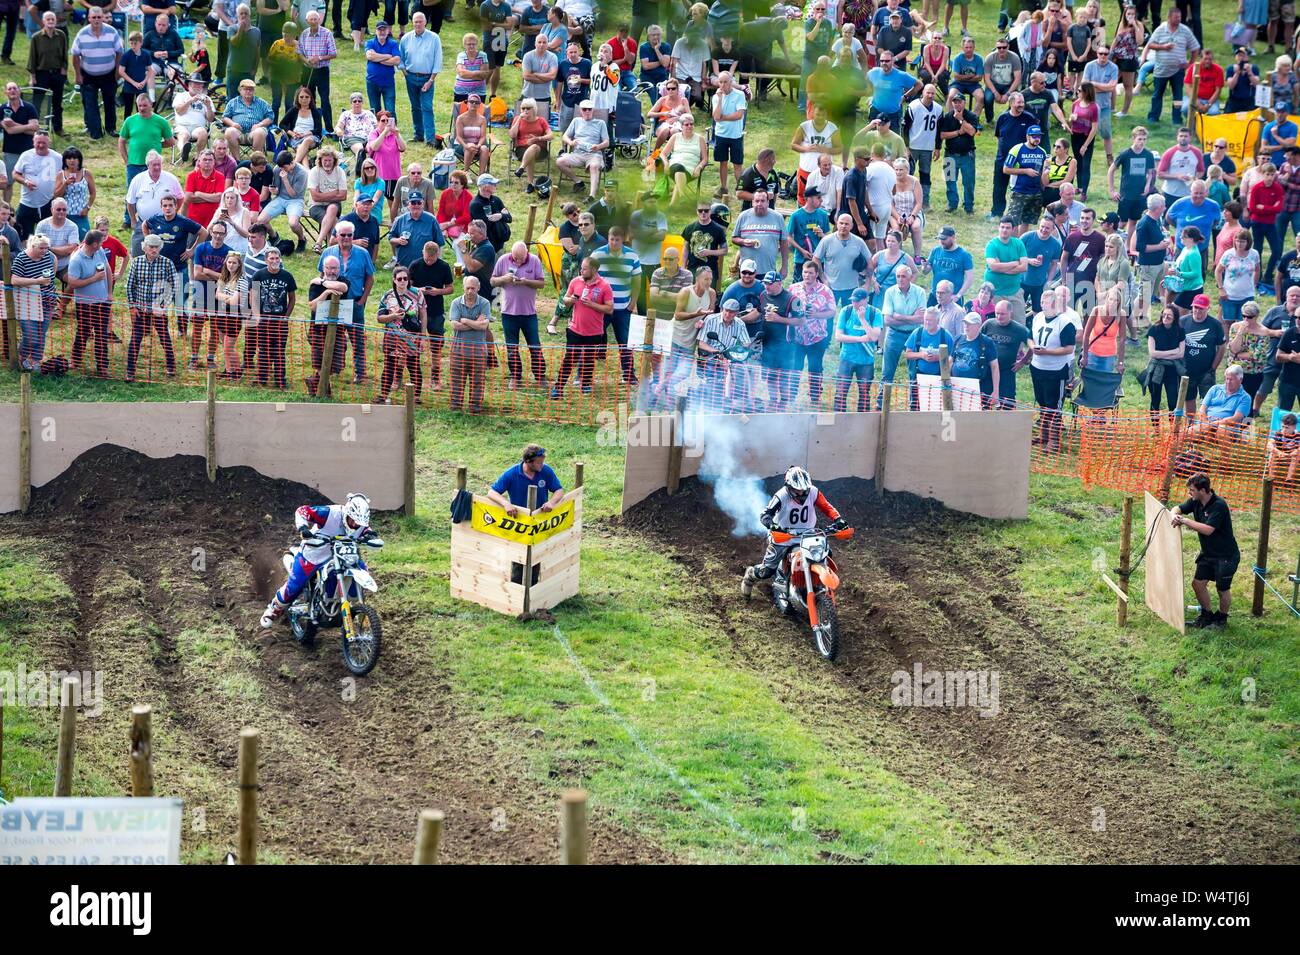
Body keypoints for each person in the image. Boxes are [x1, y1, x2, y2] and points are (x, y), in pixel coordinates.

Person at [260, 494, 376, 629]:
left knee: (362, 570)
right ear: (347, 513)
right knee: (295, 585)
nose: (355, 525)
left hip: (343, 556)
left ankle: (346, 607)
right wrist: (303, 528)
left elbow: (367, 531)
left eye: (359, 523)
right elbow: (302, 511)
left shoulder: (361, 523)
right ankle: (274, 608)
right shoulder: (330, 513)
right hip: (315, 553)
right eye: (353, 521)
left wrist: (371, 536)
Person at [740, 466, 847, 599]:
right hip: (784, 537)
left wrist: (838, 519)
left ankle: (816, 583)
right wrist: (773, 526)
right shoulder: (781, 495)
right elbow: (765, 514)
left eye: (804, 490)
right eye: (797, 490)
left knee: (826, 554)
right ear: (789, 487)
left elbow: (826, 507)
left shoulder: (813, 492)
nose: (801, 493)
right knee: (767, 571)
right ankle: (750, 575)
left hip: (808, 535)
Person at [1168, 474, 1240, 629]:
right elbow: (1177, 508)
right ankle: (1207, 615)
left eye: (1192, 490)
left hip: (1226, 556)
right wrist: (1174, 515)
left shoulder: (1219, 505)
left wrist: (1185, 521)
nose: (1189, 493)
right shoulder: (1195, 501)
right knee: (1197, 584)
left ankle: (1221, 619)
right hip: (1208, 554)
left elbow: (1208, 530)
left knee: (1222, 590)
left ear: (1202, 490)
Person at [552, 255, 614, 398]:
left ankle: (585, 384)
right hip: (574, 329)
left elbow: (610, 309)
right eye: (581, 268)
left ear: (594, 270)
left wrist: (592, 305)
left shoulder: (604, 286)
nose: (581, 271)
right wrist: (570, 300)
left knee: (588, 360)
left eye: (584, 269)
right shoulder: (576, 282)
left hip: (594, 332)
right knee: (569, 359)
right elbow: (565, 299)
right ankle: (558, 388)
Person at [491, 240, 548, 390]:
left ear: (526, 254)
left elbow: (542, 284)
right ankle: (515, 376)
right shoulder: (503, 260)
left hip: (529, 313)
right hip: (508, 313)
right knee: (512, 347)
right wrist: (504, 279)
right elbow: (492, 281)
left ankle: (540, 376)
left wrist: (526, 282)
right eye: (515, 258)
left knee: (535, 345)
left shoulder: (534, 260)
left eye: (521, 258)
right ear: (512, 253)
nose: (517, 261)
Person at [72, 7, 124, 141]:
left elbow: (119, 52)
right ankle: (95, 131)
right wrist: (78, 75)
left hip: (109, 73)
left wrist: (118, 71)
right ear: (89, 18)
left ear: (102, 17)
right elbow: (75, 55)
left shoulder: (112, 32)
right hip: (88, 74)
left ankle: (111, 128)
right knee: (90, 103)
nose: (96, 20)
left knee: (109, 101)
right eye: (93, 17)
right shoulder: (82, 34)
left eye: (99, 17)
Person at [1146, 7, 1199, 126]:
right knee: (1157, 94)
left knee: (1178, 96)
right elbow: (1150, 45)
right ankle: (1153, 117)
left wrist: (1190, 64)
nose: (1179, 19)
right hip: (1161, 69)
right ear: (1169, 17)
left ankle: (1176, 119)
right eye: (1176, 17)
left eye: (1180, 17)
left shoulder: (1185, 30)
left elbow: (1195, 48)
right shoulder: (1160, 29)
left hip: (1178, 70)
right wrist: (1163, 47)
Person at [487, 444, 565, 516]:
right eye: (539, 462)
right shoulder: (511, 474)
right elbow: (492, 492)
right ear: (528, 461)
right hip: (520, 517)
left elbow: (559, 490)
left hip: (541, 516)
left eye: (543, 462)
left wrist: (551, 502)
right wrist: (505, 503)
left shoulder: (546, 470)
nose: (542, 465)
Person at [939, 89, 979, 215]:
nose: (957, 104)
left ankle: (968, 206)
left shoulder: (971, 116)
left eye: (959, 102)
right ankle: (952, 204)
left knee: (968, 182)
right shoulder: (947, 116)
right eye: (955, 102)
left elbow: (972, 132)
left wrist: (961, 120)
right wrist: (958, 132)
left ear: (964, 103)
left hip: (967, 155)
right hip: (950, 154)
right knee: (950, 180)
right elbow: (942, 135)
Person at [1185, 364, 1253, 439]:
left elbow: (1236, 418)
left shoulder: (1245, 397)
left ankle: (1211, 440)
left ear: (1240, 380)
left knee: (1221, 431)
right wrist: (1205, 423)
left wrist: (1212, 424)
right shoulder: (1215, 389)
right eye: (1227, 379)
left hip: (1227, 427)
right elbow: (1202, 409)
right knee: (1188, 432)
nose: (1228, 382)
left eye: (1231, 379)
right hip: (1206, 423)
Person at [24, 17, 66, 138]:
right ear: (43, 21)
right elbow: (32, 57)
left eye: (53, 19)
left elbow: (64, 53)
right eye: (48, 19)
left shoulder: (61, 35)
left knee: (57, 103)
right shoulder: (36, 37)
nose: (50, 21)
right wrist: (32, 76)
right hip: (41, 73)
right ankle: (35, 129)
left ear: (56, 21)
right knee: (37, 103)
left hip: (57, 73)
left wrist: (64, 70)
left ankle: (58, 128)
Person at [298, 10, 336, 136]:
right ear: (307, 21)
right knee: (309, 99)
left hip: (322, 70)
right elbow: (299, 53)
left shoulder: (326, 33)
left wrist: (318, 58)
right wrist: (307, 61)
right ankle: (312, 127)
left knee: (325, 99)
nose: (314, 22)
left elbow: (333, 53)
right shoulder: (304, 34)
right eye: (311, 19)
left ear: (319, 20)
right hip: (307, 70)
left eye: (316, 19)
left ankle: (329, 129)